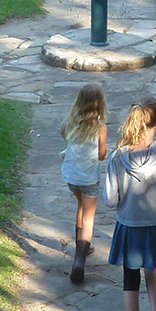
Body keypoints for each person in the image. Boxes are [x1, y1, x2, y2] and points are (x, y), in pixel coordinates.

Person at [104, 98, 156, 311]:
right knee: (152, 266)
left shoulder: (116, 158)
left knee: (130, 275)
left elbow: (111, 200)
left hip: (129, 225)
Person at [60, 83, 108, 285]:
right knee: (89, 217)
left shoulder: (71, 123)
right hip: (89, 178)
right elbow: (101, 154)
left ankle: (82, 247)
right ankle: (80, 259)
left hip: (72, 176)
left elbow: (63, 134)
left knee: (80, 207)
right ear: (99, 105)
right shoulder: (100, 128)